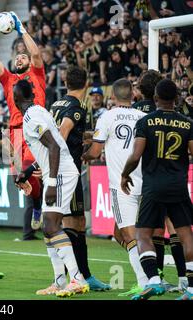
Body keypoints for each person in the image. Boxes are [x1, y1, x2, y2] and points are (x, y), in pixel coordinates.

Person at [14, 79, 89, 297]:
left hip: (61, 174)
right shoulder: (39, 111)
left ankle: (76, 278)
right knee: (48, 227)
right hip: (57, 172)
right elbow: (50, 148)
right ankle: (59, 281)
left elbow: (54, 146)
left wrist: (53, 183)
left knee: (51, 225)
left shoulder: (31, 117)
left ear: (16, 99)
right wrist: (27, 173)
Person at [121, 79, 193, 300]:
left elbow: (136, 154)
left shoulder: (146, 121)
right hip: (178, 186)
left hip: (153, 187)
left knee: (143, 234)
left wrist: (125, 174)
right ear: (176, 99)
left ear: (155, 98)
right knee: (186, 236)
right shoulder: (187, 123)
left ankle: (153, 280)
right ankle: (191, 289)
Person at [82, 79, 148, 296]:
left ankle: (145, 281)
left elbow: (94, 152)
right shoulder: (142, 116)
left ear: (112, 97)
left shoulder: (107, 116)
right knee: (118, 233)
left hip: (123, 184)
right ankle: (152, 273)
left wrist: (81, 154)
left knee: (130, 236)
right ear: (133, 96)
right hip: (146, 182)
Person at [50, 65, 110, 291]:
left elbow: (64, 132)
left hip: (60, 170)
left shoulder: (56, 103)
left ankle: (80, 274)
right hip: (68, 171)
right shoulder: (76, 107)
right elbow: (63, 133)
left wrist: (87, 138)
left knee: (76, 222)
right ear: (85, 84)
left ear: (65, 83)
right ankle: (77, 277)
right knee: (73, 223)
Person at [0, 12, 44, 237]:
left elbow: (37, 53)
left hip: (36, 127)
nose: (20, 58)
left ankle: (41, 206)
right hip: (15, 133)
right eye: (17, 57)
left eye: (24, 56)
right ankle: (38, 203)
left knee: (29, 169)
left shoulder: (37, 75)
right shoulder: (9, 80)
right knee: (18, 177)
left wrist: (21, 30)